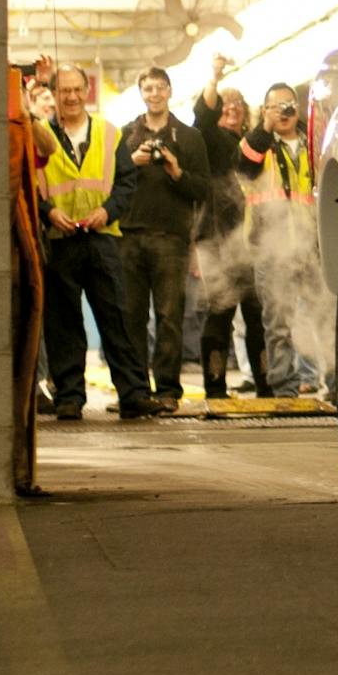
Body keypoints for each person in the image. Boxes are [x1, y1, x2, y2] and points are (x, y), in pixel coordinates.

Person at [26, 59, 166, 420]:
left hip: (102, 239)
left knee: (116, 319)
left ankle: (133, 394)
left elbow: (125, 183)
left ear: (86, 92)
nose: (71, 97)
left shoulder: (110, 133)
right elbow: (28, 184)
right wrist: (47, 212)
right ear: (53, 95)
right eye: (63, 91)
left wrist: (108, 211)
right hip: (59, 239)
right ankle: (70, 397)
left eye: (76, 90)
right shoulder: (39, 134)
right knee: (63, 324)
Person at [115, 66, 210, 414]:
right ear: (141, 93)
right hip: (129, 236)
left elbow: (203, 189)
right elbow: (110, 184)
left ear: (170, 91)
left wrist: (177, 172)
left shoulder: (188, 138)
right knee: (132, 318)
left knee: (170, 316)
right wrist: (131, 162)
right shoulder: (124, 137)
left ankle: (168, 389)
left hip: (172, 238)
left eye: (160, 87)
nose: (154, 94)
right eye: (148, 88)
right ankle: (136, 390)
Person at [236, 81, 325, 396]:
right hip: (272, 249)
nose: (285, 112)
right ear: (264, 111)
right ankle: (284, 387)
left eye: (290, 106)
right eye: (277, 107)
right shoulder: (259, 145)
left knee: (324, 319)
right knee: (278, 324)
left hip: (313, 247)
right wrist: (266, 126)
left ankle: (331, 384)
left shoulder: (314, 143)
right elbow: (244, 167)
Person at [194, 54, 269, 400]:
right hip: (219, 242)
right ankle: (215, 386)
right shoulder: (210, 142)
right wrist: (214, 76)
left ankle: (267, 384)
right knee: (221, 311)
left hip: (253, 244)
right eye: (226, 103)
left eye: (238, 103)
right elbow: (203, 118)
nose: (232, 108)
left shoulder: (253, 147)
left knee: (256, 315)